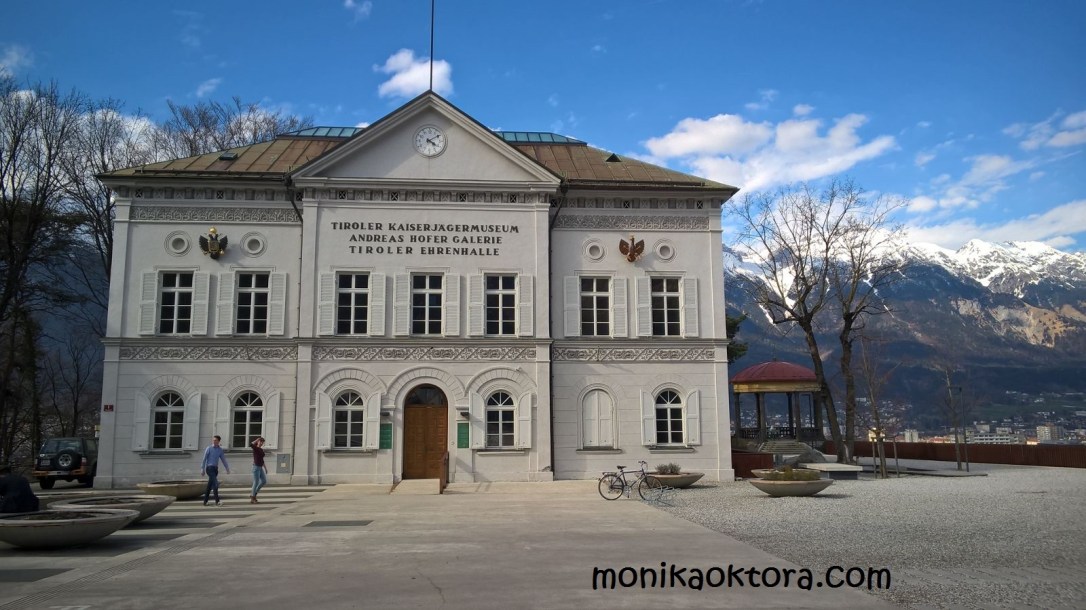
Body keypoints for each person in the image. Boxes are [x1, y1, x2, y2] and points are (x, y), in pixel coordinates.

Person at [200, 435, 230, 506]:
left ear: (219, 441)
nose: (214, 441)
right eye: (213, 440)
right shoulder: (209, 448)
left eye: (216, 440)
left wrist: (227, 468)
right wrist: (202, 469)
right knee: (215, 484)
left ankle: (205, 501)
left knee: (209, 486)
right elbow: (204, 459)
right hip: (209, 468)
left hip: (215, 469)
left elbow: (223, 460)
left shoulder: (220, 450)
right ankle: (217, 501)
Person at [249, 436, 267, 504]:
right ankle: (253, 497)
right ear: (258, 442)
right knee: (256, 482)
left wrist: (265, 468)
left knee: (264, 481)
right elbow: (250, 444)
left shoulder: (261, 450)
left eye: (262, 442)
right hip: (256, 467)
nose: (261, 443)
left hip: (260, 467)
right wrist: (256, 440)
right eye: (260, 441)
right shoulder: (255, 448)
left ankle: (253, 494)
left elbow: (262, 460)